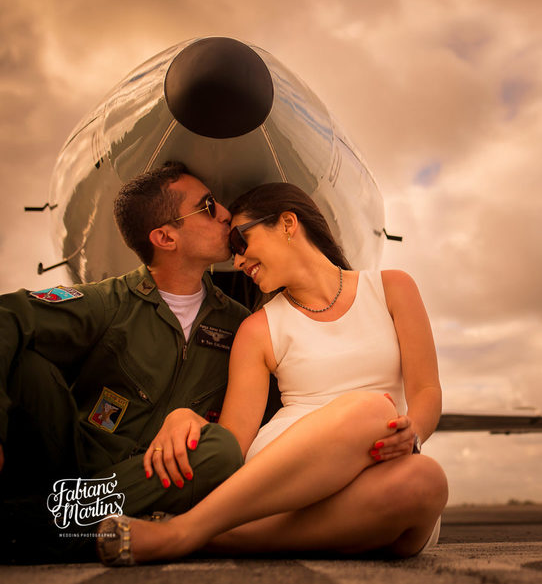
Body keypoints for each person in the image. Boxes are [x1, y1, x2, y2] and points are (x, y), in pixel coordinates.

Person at [96, 182, 448, 564]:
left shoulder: (392, 288)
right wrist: (184, 417)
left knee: (426, 481)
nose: (238, 261)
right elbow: (233, 440)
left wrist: (412, 433)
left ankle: (204, 534)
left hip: (385, 469)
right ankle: (187, 532)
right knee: (374, 411)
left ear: (287, 223)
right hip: (282, 479)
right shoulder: (258, 328)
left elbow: (426, 389)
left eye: (241, 241)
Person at [0, 161, 249, 562]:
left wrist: (194, 419)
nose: (226, 214)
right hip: (71, 465)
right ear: (165, 237)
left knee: (220, 450)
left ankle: (26, 525)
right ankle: (59, 526)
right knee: (25, 366)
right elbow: (6, 315)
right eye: (207, 207)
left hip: (152, 478)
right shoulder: (110, 302)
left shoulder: (241, 326)